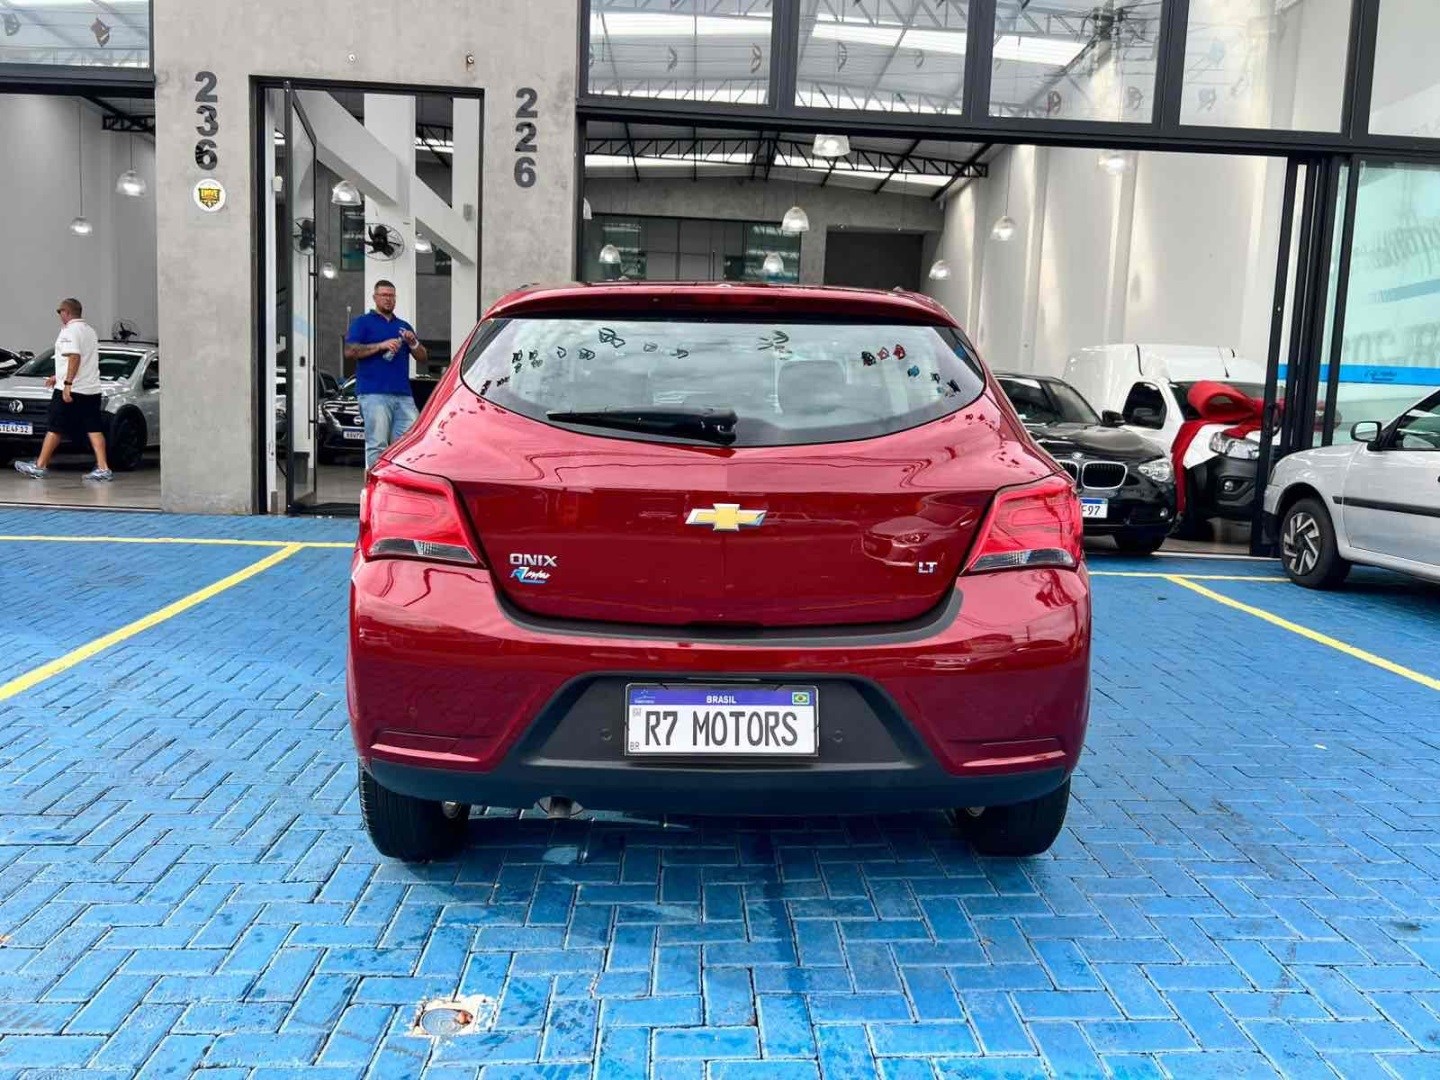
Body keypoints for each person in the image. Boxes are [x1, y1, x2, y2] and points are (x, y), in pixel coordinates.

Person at [15, 298, 111, 482]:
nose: (59, 316)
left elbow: (74, 357)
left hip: (72, 389)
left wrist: (67, 384)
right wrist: (57, 376)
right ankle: (103, 468)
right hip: (91, 388)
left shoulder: (69, 331)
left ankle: (39, 466)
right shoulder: (89, 331)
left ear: (66, 312)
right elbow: (81, 360)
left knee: (55, 427)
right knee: (94, 428)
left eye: (60, 312)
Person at [344, 280, 428, 472]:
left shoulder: (403, 326)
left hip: (403, 395)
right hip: (373, 394)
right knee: (377, 445)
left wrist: (413, 343)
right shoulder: (362, 323)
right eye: (384, 295)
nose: (388, 299)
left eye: (391, 296)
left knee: (408, 445)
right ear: (375, 298)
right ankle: (378, 484)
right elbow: (349, 351)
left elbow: (423, 357)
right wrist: (381, 345)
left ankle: (398, 482)